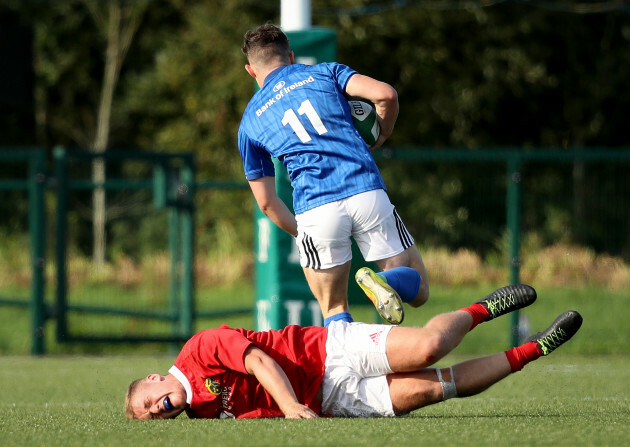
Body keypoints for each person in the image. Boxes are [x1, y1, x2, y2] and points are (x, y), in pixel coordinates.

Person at [125, 284, 583, 420]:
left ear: (153, 379)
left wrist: (289, 407)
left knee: (429, 346)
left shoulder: (197, 350)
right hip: (331, 403)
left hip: (325, 352)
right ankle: (534, 349)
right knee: (439, 389)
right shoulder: (198, 420)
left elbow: (259, 361)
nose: (158, 409)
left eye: (150, 402)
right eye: (151, 417)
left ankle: (483, 308)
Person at [237, 23, 428, 326]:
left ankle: (351, 369)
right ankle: (383, 280)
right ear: (291, 57)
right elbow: (386, 95)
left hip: (315, 208)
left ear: (251, 71)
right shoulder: (324, 72)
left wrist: (305, 232)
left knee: (335, 311)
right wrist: (381, 134)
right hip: (365, 190)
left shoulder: (249, 121)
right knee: (418, 287)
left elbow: (268, 204)